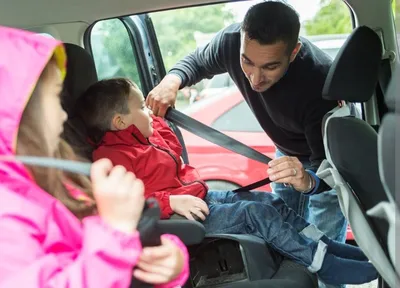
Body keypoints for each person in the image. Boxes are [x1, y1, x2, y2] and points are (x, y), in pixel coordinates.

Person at [77, 77, 378, 286]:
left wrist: (155, 119)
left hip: (199, 196)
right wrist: (170, 202)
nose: (148, 111)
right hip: (180, 215)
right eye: (141, 106)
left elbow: (172, 148)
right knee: (254, 214)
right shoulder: (112, 158)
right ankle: (323, 264)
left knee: (269, 200)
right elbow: (124, 203)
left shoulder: (143, 137)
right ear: (120, 122)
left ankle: (324, 244)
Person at [146, 2, 349, 286]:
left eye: (270, 67)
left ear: (293, 52)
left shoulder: (319, 82)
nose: (254, 78)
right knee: (283, 241)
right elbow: (196, 62)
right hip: (283, 156)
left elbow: (330, 171)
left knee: (324, 259)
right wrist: (172, 80)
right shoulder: (231, 43)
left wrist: (310, 182)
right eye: (247, 62)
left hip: (322, 163)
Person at [0, 26, 189, 288]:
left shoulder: (58, 181)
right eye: (56, 98)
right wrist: (116, 234)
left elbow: (117, 253)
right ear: (21, 113)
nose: (64, 114)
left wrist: (171, 263)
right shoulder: (7, 218)